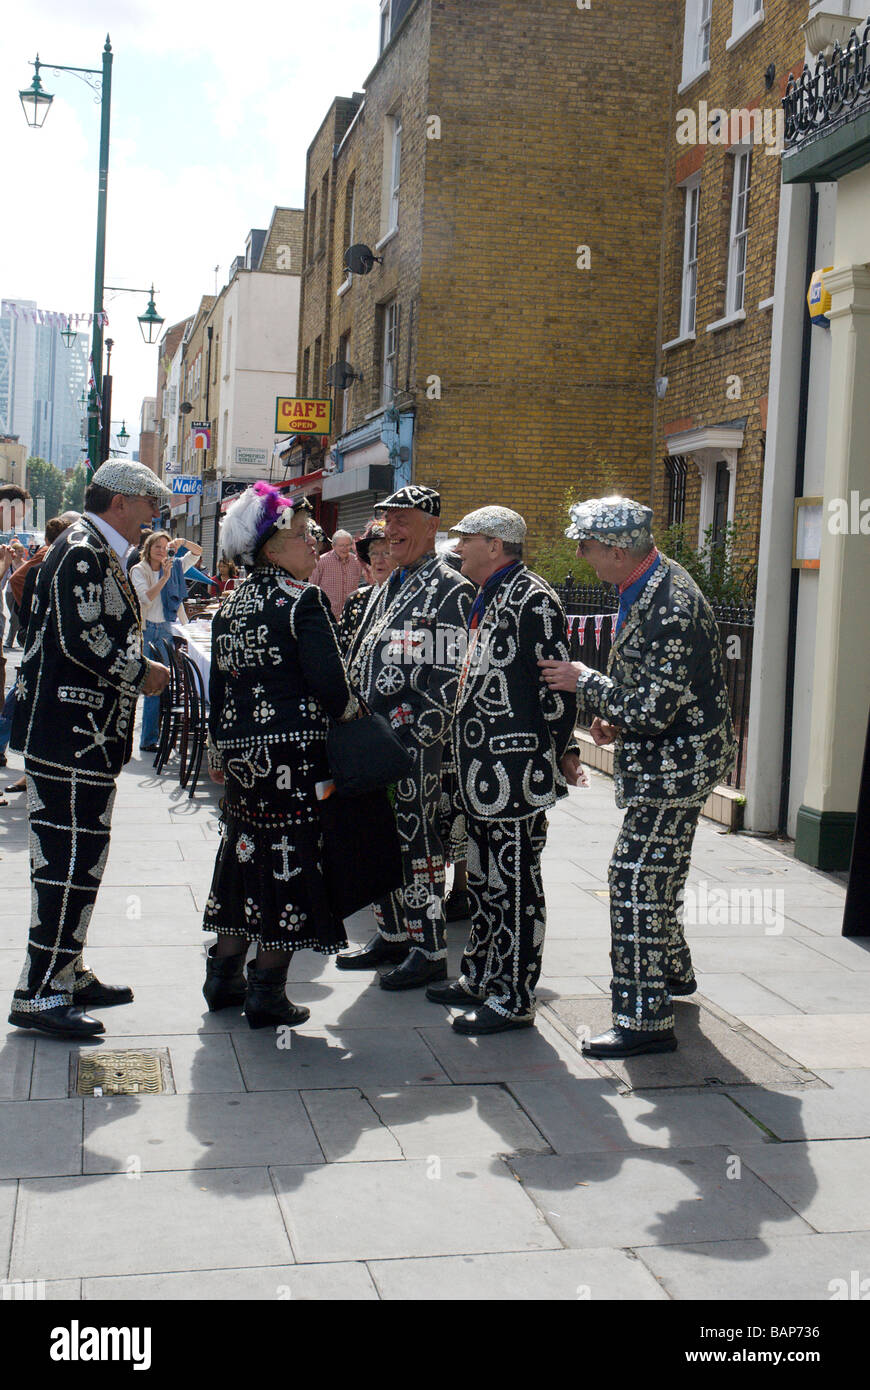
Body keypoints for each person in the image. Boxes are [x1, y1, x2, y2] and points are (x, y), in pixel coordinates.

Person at [539, 495, 736, 1058]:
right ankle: (673, 975)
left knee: (632, 881)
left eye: (587, 545)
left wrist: (586, 683)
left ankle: (643, 1021)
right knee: (661, 872)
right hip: (681, 755)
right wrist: (613, 716)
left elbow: (654, 709)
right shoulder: (646, 583)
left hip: (679, 767)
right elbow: (654, 690)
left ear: (619, 550)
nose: (580, 553)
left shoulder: (667, 603)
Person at [7, 461, 172, 1040]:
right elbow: (82, 639)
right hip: (68, 732)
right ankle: (41, 991)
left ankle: (66, 972)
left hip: (79, 733)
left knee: (81, 859)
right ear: (121, 502)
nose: (155, 514)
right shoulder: (83, 550)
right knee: (67, 862)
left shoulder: (92, 548)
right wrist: (141, 672)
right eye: (149, 502)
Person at [202, 481, 360, 1029]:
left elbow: (219, 688)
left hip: (245, 761)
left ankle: (223, 975)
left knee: (244, 852)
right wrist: (354, 719)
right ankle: (266, 990)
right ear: (271, 548)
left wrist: (218, 748)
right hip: (295, 759)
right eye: (301, 534)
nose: (313, 541)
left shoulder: (231, 605)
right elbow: (332, 688)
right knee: (291, 860)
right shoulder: (303, 601)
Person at [421, 506, 583, 1033]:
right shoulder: (491, 595)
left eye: (466, 539)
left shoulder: (533, 598)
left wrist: (557, 753)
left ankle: (514, 996)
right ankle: (481, 975)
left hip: (514, 771)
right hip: (480, 769)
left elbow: (556, 691)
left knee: (514, 886)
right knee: (488, 879)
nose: (458, 547)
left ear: (495, 545)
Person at [338, 485, 474, 989]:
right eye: (386, 520)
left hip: (413, 749)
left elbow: (451, 673)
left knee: (417, 845)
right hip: (373, 742)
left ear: (432, 526)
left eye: (402, 521)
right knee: (378, 841)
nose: (390, 530)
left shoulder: (450, 588)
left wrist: (418, 737)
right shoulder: (391, 584)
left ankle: (429, 947)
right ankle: (392, 933)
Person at [130, 530, 203, 752]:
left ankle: (153, 737)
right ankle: (146, 739)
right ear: (148, 549)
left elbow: (198, 553)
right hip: (147, 629)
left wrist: (183, 542)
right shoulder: (139, 570)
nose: (162, 552)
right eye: (157, 547)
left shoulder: (175, 566)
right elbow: (145, 597)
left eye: (165, 547)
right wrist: (164, 578)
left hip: (166, 628)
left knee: (163, 686)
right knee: (148, 684)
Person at [337, 521, 394, 655]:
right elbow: (343, 650)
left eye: (386, 553)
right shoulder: (356, 599)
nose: (379, 560)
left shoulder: (409, 598)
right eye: (374, 553)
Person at [309, 528, 365, 619]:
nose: (345, 548)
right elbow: (312, 587)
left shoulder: (356, 562)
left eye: (348, 545)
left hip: (351, 615)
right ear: (333, 546)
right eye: (341, 545)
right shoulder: (321, 562)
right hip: (327, 615)